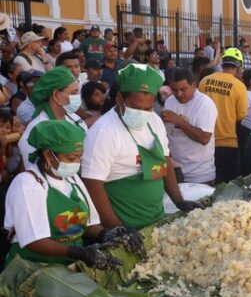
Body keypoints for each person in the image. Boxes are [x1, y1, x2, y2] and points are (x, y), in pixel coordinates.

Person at [4, 120, 144, 269]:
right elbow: (34, 241)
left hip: (70, 264)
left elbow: (89, 224)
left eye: (79, 157)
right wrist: (78, 252)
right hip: (34, 266)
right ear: (48, 155)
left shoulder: (72, 179)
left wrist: (109, 234)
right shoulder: (28, 185)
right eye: (71, 158)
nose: (77, 163)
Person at [81, 63, 194, 230]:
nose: (141, 113)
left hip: (155, 220)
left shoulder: (154, 121)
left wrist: (179, 200)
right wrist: (118, 229)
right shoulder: (103, 132)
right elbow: (93, 185)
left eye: (147, 108)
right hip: (124, 224)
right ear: (119, 98)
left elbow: (165, 162)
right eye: (134, 107)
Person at [18, 67, 87, 168]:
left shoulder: (76, 119)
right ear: (55, 95)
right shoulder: (36, 131)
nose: (77, 97)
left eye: (77, 92)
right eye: (73, 93)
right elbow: (34, 170)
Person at [198, 48, 249, 183]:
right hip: (227, 142)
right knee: (225, 184)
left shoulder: (205, 81)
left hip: (203, 139)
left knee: (206, 182)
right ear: (238, 68)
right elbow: (242, 115)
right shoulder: (239, 86)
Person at [162, 69, 217, 185]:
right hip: (176, 171)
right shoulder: (170, 101)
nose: (179, 94)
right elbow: (166, 134)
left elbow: (204, 138)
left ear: (193, 85)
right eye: (175, 90)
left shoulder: (205, 104)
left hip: (199, 175)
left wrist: (180, 122)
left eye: (183, 90)